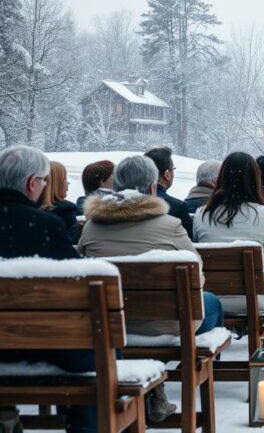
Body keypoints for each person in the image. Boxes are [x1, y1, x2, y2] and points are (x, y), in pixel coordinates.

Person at [0, 146, 93, 433]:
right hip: (39, 344)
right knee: (103, 354)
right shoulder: (45, 225)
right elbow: (79, 285)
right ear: (32, 184)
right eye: (43, 181)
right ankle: (86, 426)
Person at [78, 155, 223, 336]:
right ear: (152, 187)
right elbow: (197, 276)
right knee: (211, 301)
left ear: (115, 187)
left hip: (109, 324)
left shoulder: (91, 228)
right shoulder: (171, 225)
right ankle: (198, 361)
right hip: (167, 324)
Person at [194, 152, 264, 313]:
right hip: (259, 297)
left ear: (222, 178)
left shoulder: (201, 214)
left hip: (213, 297)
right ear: (255, 180)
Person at [144, 147, 193, 239]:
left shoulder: (128, 204)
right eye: (173, 169)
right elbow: (189, 241)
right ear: (167, 174)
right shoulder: (178, 207)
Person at [38, 160, 81, 238]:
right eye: (65, 179)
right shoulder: (66, 212)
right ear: (56, 184)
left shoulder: (28, 210)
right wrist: (78, 230)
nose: (68, 184)